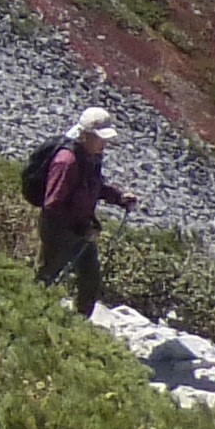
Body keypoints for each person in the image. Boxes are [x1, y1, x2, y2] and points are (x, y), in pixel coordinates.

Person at [33, 106, 135, 317]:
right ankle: (30, 312)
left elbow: (93, 186)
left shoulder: (90, 156)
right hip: (58, 231)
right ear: (86, 135)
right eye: (100, 137)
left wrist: (118, 198)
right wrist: (80, 228)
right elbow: (52, 205)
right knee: (47, 276)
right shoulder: (66, 162)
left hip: (80, 230)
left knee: (90, 280)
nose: (104, 143)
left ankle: (78, 324)